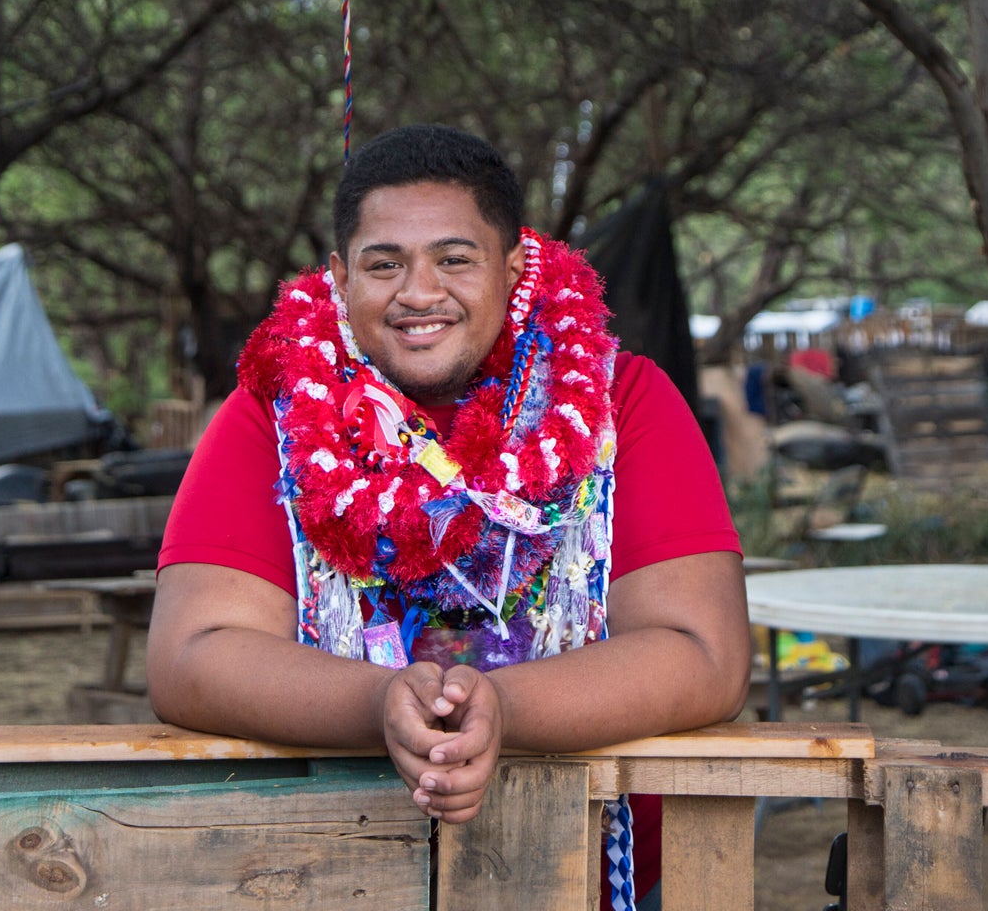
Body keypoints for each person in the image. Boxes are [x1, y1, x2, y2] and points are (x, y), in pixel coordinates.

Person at [149, 125, 750, 909]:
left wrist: (504, 708)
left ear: (513, 269)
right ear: (338, 277)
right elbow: (191, 656)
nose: (419, 292)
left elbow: (706, 656)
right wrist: (377, 703)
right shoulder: (275, 413)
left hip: (588, 875)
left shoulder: (619, 401)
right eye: (383, 263)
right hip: (330, 874)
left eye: (455, 259)